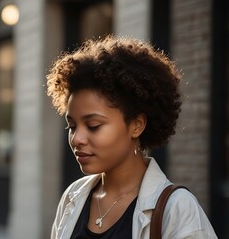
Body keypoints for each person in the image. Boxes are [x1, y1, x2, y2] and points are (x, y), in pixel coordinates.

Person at [46, 35, 217, 238]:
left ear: (137, 125)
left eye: (93, 126)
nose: (77, 139)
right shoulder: (73, 197)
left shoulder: (177, 209)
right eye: (72, 126)